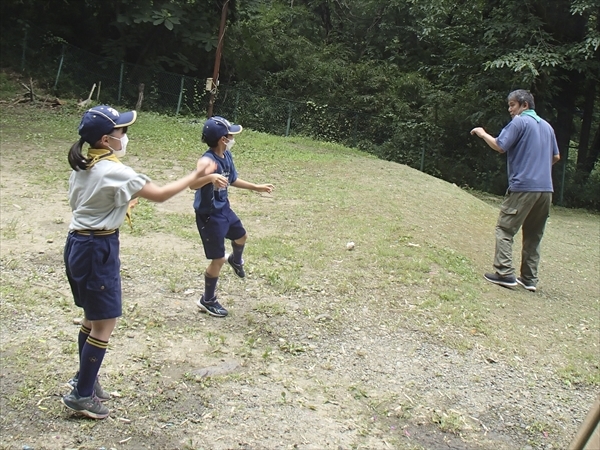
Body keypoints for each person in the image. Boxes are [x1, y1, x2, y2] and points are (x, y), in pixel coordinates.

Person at [62, 105, 217, 419]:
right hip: (97, 247)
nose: (125, 135)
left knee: (92, 317)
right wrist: (196, 175)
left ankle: (85, 379)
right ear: (107, 139)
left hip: (79, 242)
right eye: (122, 131)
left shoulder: (86, 161)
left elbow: (89, 200)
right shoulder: (114, 170)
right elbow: (159, 194)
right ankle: (81, 395)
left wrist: (126, 202)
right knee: (105, 321)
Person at [470, 89, 560, 292]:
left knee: (504, 229)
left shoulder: (520, 122)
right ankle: (529, 279)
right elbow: (555, 157)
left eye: (512, 105)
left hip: (523, 187)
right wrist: (539, 167)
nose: (510, 110)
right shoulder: (547, 127)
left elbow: (500, 145)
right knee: (534, 234)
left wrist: (483, 133)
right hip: (546, 189)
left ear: (524, 105)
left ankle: (504, 273)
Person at [191, 116, 274, 318]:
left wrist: (256, 187)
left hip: (223, 209)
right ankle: (207, 300)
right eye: (230, 135)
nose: (232, 139)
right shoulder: (208, 160)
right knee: (218, 259)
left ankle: (236, 261)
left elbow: (233, 179)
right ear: (222, 139)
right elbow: (193, 184)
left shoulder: (226, 156)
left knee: (241, 236)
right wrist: (210, 178)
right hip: (209, 215)